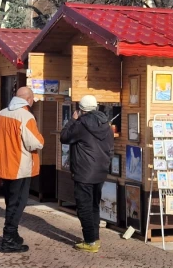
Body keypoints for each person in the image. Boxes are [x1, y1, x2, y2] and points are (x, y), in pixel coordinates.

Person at [0, 87, 44, 253]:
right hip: (19, 167)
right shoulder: (26, 116)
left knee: (10, 201)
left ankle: (12, 236)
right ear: (28, 99)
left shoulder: (1, 114)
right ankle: (9, 239)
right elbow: (35, 143)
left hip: (3, 164)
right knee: (17, 203)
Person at [60, 95, 114, 254]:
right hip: (100, 171)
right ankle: (94, 238)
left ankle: (90, 241)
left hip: (84, 172)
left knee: (84, 207)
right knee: (94, 206)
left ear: (81, 110)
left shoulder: (81, 123)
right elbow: (111, 148)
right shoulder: (106, 124)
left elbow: (64, 137)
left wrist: (72, 120)